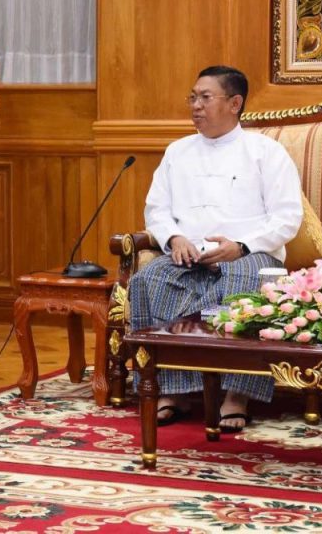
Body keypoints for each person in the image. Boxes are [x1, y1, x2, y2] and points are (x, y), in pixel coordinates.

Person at [129, 66, 303, 433]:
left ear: (235, 103)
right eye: (193, 97)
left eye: (205, 98)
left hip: (249, 253)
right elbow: (156, 210)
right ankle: (172, 391)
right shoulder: (177, 151)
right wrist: (174, 239)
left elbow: (288, 217)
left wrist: (241, 246)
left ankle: (238, 394)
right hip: (188, 254)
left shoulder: (265, 152)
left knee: (248, 283)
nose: (196, 106)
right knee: (148, 279)